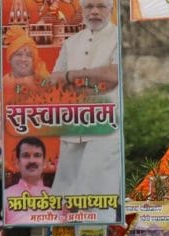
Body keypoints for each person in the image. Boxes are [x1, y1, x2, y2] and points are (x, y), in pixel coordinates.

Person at [49, 0, 121, 223]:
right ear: (82, 11)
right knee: (64, 203)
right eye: (89, 7)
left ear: (110, 9)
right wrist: (92, 76)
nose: (95, 12)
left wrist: (72, 76)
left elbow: (113, 75)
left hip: (104, 131)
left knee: (98, 203)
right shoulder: (71, 43)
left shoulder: (119, 37)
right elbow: (54, 81)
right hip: (73, 128)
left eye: (101, 6)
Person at [4, 137, 51, 225]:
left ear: (44, 162)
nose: (32, 160)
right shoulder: (6, 196)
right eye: (26, 155)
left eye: (37, 155)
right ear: (17, 162)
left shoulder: (57, 196)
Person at [2, 26, 51, 103]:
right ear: (10, 58)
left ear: (33, 60)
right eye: (18, 54)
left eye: (28, 55)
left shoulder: (42, 81)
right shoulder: (5, 82)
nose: (23, 59)